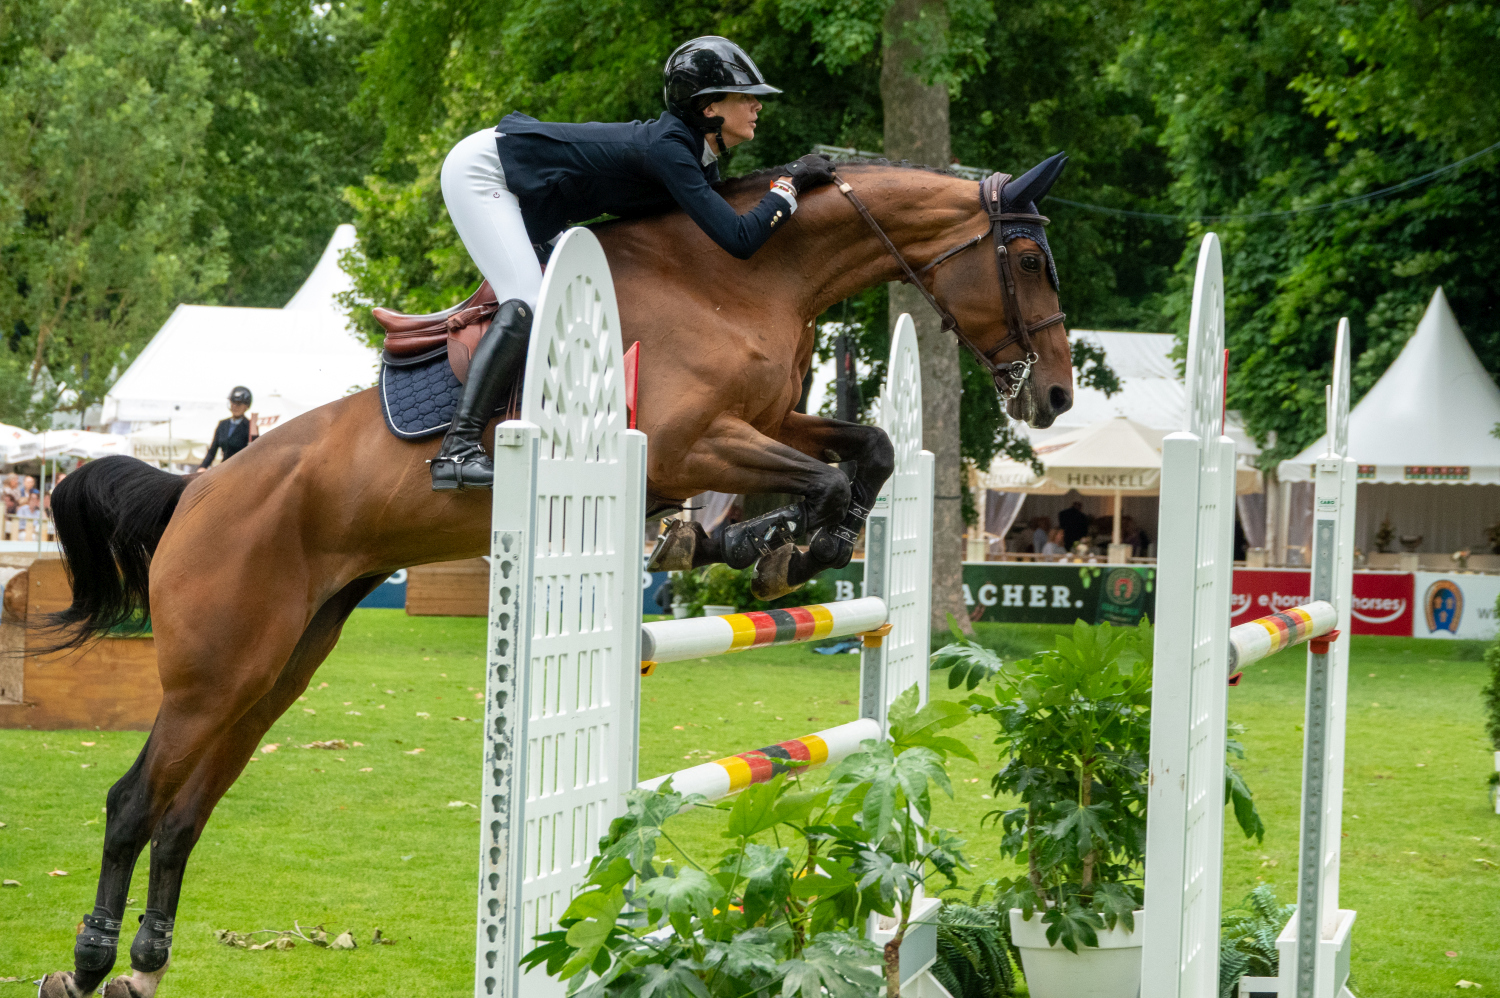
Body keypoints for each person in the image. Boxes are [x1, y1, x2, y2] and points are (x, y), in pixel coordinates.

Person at [428, 36, 837, 491]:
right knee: (529, 302)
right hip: (486, 172)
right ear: (709, 109)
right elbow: (740, 239)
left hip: (535, 204)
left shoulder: (698, 163)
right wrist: (788, 185)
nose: (757, 106)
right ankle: (457, 450)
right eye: (746, 97)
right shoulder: (670, 150)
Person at [199, 386, 258, 469]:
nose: (235, 406)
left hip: (242, 469)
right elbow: (212, 451)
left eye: (239, 403)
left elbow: (256, 452)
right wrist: (203, 467)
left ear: (246, 406)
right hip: (224, 468)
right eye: (233, 402)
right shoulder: (222, 424)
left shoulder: (251, 426)